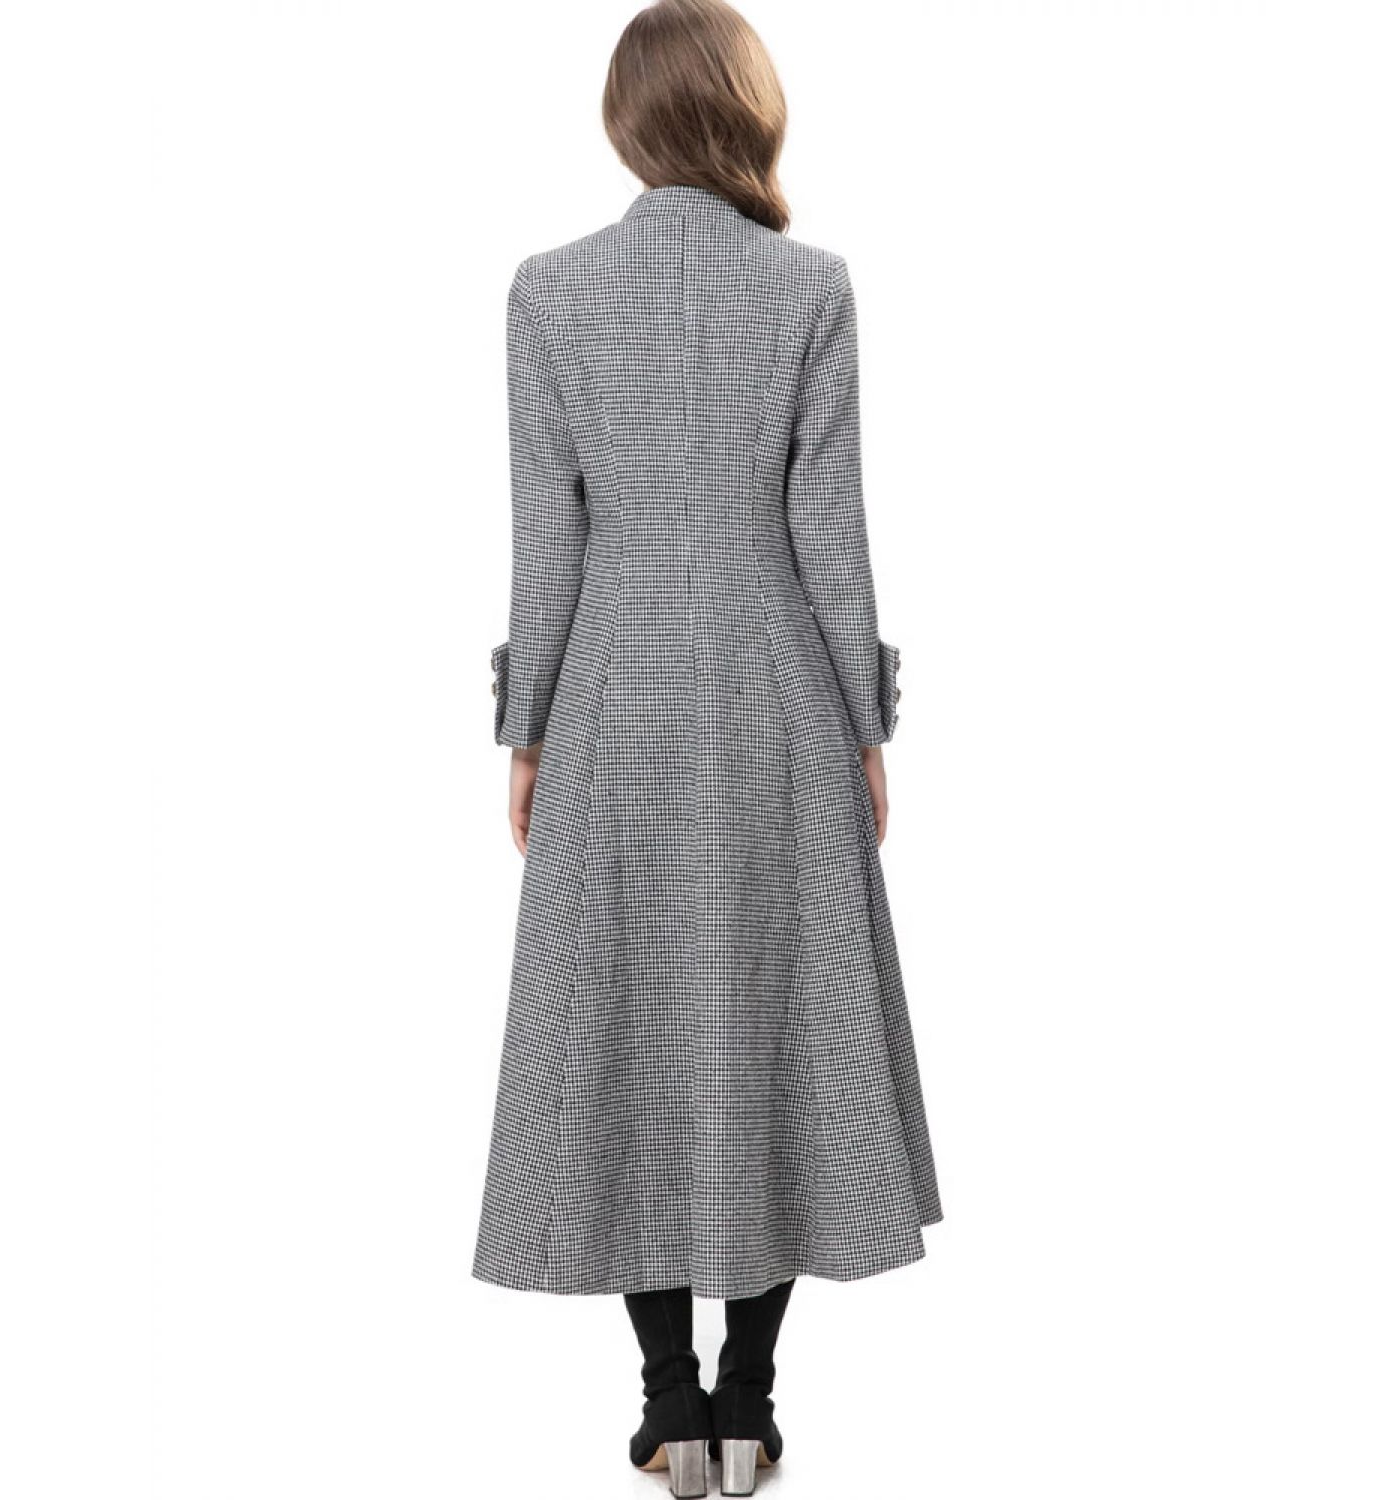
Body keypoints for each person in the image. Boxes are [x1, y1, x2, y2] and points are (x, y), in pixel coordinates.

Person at [473, 1, 942, 1493]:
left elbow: (548, 544)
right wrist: (864, 722)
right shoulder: (811, 287)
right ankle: (749, 1403)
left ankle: (671, 1404)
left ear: (628, 122)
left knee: (627, 1042)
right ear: (749, 111)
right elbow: (829, 534)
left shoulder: (548, 292)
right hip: (775, 697)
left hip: (611, 697)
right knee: (779, 1036)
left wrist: (526, 728)